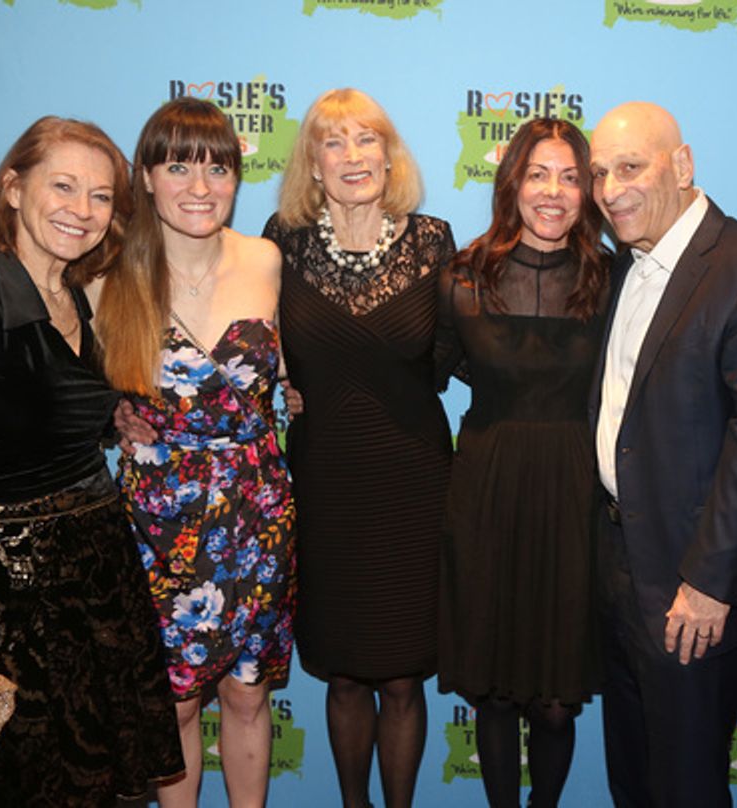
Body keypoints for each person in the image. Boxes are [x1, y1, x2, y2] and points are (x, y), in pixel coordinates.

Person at [588, 101, 737, 808]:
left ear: (681, 166)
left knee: (685, 785)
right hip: (620, 566)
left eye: (630, 167)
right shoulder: (629, 264)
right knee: (634, 776)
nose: (610, 189)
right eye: (599, 174)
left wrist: (711, 582)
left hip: (692, 584)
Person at [0, 117, 183, 805]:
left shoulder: (74, 296)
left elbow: (42, 411)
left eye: (99, 197)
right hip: (4, 604)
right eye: (62, 186)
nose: (81, 210)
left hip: (95, 581)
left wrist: (110, 415)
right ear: (12, 188)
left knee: (92, 785)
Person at [96, 97, 295, 808]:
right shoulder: (107, 272)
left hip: (257, 511)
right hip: (159, 522)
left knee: (247, 693)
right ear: (145, 177)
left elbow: (297, 371)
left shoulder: (266, 260)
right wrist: (108, 414)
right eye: (178, 166)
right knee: (175, 704)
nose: (201, 186)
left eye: (218, 168)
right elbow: (58, 391)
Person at [261, 88, 454, 808]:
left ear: (388, 154)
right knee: (343, 673)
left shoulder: (432, 239)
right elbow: (244, 331)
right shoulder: (279, 242)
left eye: (366, 139)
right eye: (333, 141)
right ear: (312, 162)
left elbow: (456, 355)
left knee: (404, 675)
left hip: (413, 481)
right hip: (325, 486)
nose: (352, 156)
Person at [435, 118, 609, 808]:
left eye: (570, 176)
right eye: (539, 174)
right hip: (487, 493)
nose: (553, 191)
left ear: (586, 191)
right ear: (513, 181)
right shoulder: (462, 278)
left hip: (573, 497)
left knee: (558, 702)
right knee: (497, 691)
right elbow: (417, 378)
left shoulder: (612, 279)